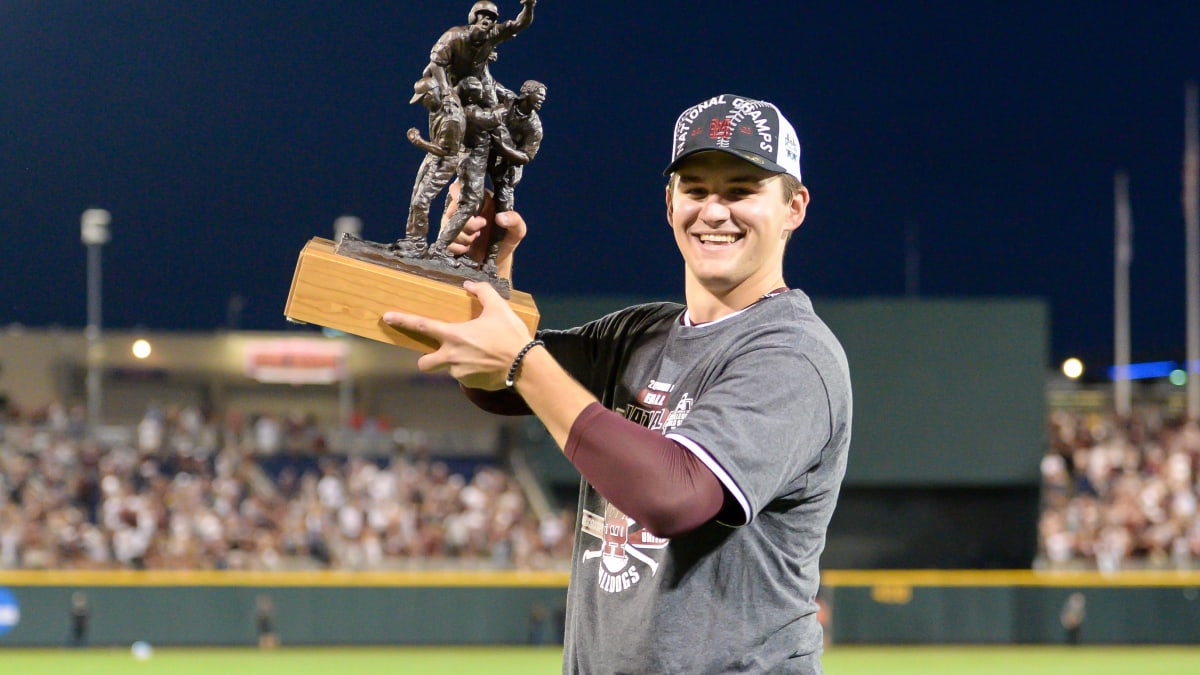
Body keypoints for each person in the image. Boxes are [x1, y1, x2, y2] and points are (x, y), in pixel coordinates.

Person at [383, 94, 852, 674]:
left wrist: (523, 360)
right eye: (696, 189)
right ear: (669, 202)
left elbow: (676, 497)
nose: (713, 210)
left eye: (740, 189)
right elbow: (494, 386)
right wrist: (484, 280)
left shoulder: (792, 354)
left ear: (794, 207)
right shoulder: (637, 332)